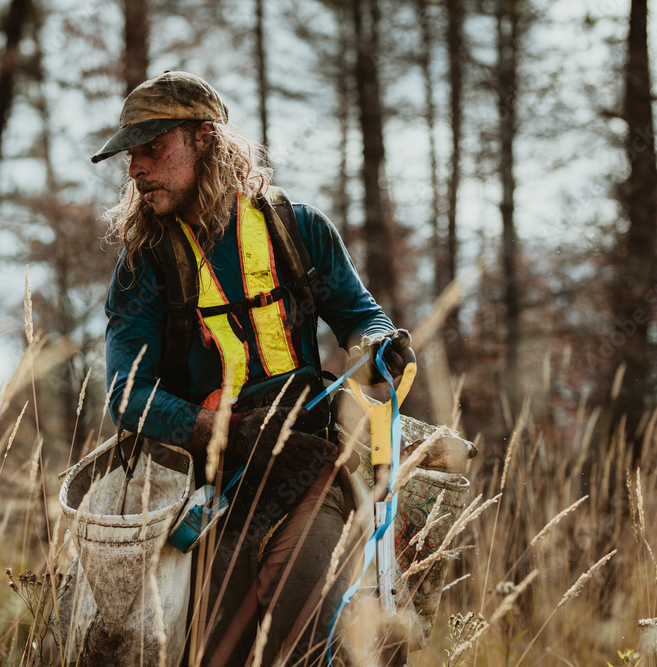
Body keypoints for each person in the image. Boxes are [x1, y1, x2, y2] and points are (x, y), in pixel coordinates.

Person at [94, 71, 415, 666]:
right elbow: (125, 394)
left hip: (308, 466)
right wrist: (227, 432)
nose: (135, 168)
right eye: (130, 155)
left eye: (151, 148)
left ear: (205, 139)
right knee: (221, 650)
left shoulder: (301, 230)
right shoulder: (143, 266)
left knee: (294, 632)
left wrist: (378, 343)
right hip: (207, 489)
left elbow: (358, 314)